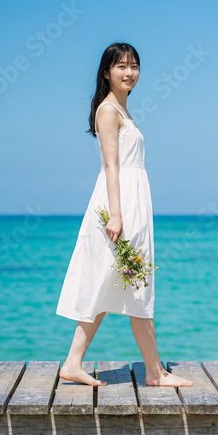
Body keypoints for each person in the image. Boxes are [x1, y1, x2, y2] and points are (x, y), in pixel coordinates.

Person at [56, 42, 193, 388]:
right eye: (121, 66)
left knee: (115, 283)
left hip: (130, 202)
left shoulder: (122, 110)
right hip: (119, 205)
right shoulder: (108, 110)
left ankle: (76, 363)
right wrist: (116, 214)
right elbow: (111, 166)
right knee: (136, 284)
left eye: (134, 66)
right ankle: (154, 372)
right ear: (106, 72)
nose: (129, 72)